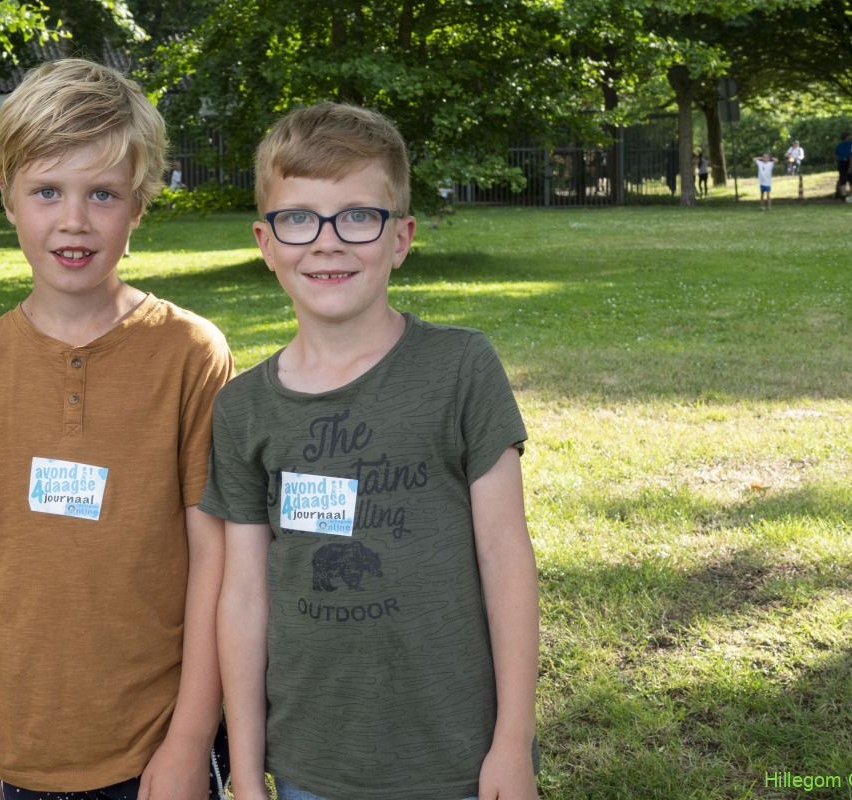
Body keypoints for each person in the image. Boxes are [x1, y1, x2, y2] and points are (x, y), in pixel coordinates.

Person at [0, 59, 233, 800]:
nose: (74, 220)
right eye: (47, 190)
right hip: (14, 751)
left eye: (103, 194)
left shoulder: (191, 354)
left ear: (139, 205)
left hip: (156, 751)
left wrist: (188, 743)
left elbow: (216, 562)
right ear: (8, 198)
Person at [204, 102, 541, 800]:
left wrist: (512, 743)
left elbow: (506, 558)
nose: (327, 243)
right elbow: (242, 596)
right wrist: (246, 769)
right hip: (310, 764)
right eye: (299, 218)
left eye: (358, 216)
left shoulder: (461, 368)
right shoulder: (242, 409)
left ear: (400, 237)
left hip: (460, 758)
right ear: (266, 241)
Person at [834, 133, 852, 200]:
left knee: (843, 180)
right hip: (850, 162)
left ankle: (843, 195)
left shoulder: (839, 145)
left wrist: (838, 162)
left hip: (842, 162)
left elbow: (836, 156)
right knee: (851, 179)